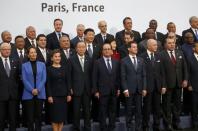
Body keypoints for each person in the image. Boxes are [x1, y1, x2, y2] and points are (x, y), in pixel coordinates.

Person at [160, 38, 188, 131]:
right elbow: (161, 72)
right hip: (167, 85)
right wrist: (163, 85)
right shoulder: (161, 54)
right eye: (169, 43)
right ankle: (168, 124)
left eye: (173, 43)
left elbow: (185, 67)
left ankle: (177, 123)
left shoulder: (180, 53)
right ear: (165, 44)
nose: (172, 44)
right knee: (166, 105)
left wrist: (185, 79)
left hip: (179, 83)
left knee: (177, 105)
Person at [92, 43, 120, 131]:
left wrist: (118, 88)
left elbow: (118, 76)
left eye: (108, 49)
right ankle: (103, 128)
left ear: (112, 51)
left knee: (112, 111)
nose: (107, 50)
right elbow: (94, 78)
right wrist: (96, 91)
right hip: (102, 91)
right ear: (102, 51)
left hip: (113, 91)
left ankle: (112, 128)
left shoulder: (116, 61)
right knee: (102, 112)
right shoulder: (97, 62)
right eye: (105, 49)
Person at [140, 39, 166, 131]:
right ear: (148, 46)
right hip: (147, 87)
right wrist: (143, 87)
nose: (156, 46)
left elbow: (162, 72)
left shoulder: (158, 56)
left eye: (156, 45)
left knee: (157, 108)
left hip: (158, 87)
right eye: (154, 45)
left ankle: (156, 125)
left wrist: (163, 86)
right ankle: (145, 125)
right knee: (147, 108)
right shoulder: (142, 57)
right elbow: (142, 74)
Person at [121, 41, 147, 131]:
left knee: (139, 111)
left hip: (139, 89)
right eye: (134, 47)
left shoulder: (141, 60)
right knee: (128, 110)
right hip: (129, 89)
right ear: (129, 48)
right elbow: (123, 77)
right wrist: (125, 89)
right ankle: (129, 128)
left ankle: (138, 128)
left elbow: (144, 75)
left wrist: (144, 88)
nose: (136, 48)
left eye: (136, 47)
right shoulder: (124, 61)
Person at [68, 41, 92, 131]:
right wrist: (70, 88)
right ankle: (76, 128)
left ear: (85, 48)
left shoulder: (89, 59)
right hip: (76, 89)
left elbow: (91, 75)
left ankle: (87, 128)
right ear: (76, 49)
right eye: (79, 47)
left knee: (87, 111)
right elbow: (69, 75)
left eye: (83, 47)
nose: (81, 49)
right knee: (76, 111)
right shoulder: (71, 59)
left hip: (87, 89)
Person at [22, 47, 46, 131]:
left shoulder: (42, 64)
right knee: (30, 117)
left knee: (38, 116)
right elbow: (24, 80)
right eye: (31, 53)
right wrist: (32, 90)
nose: (33, 54)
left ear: (36, 53)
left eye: (34, 52)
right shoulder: (24, 65)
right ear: (28, 55)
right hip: (28, 94)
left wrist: (38, 89)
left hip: (40, 93)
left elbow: (44, 79)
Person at [46, 49, 72, 131]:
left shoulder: (65, 68)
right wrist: (49, 95)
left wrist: (69, 94)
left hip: (63, 96)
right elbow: (48, 84)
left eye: (59, 56)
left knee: (61, 117)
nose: (57, 58)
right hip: (54, 97)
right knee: (55, 117)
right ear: (52, 58)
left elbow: (68, 82)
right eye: (55, 56)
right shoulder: (48, 69)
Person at [0, 43, 19, 131]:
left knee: (13, 119)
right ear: (0, 50)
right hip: (1, 96)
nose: (7, 51)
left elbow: (18, 78)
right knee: (1, 119)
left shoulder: (15, 61)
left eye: (9, 49)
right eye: (4, 49)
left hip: (13, 95)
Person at [187, 42, 198, 129]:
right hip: (194, 85)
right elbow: (187, 73)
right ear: (193, 48)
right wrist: (189, 84)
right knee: (194, 105)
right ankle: (194, 123)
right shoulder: (189, 58)